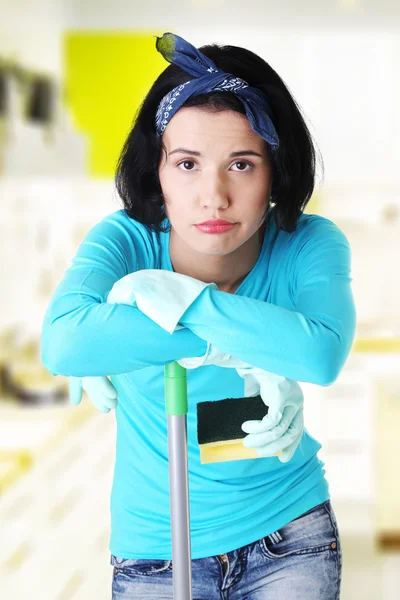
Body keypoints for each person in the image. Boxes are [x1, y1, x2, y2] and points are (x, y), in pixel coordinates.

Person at [41, 32, 356, 599]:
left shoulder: (307, 244)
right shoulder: (126, 242)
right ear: (156, 171)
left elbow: (320, 353)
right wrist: (238, 344)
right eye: (187, 163)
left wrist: (183, 301)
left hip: (288, 535)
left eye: (241, 163)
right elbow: (64, 344)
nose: (213, 197)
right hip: (156, 552)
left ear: (276, 173)